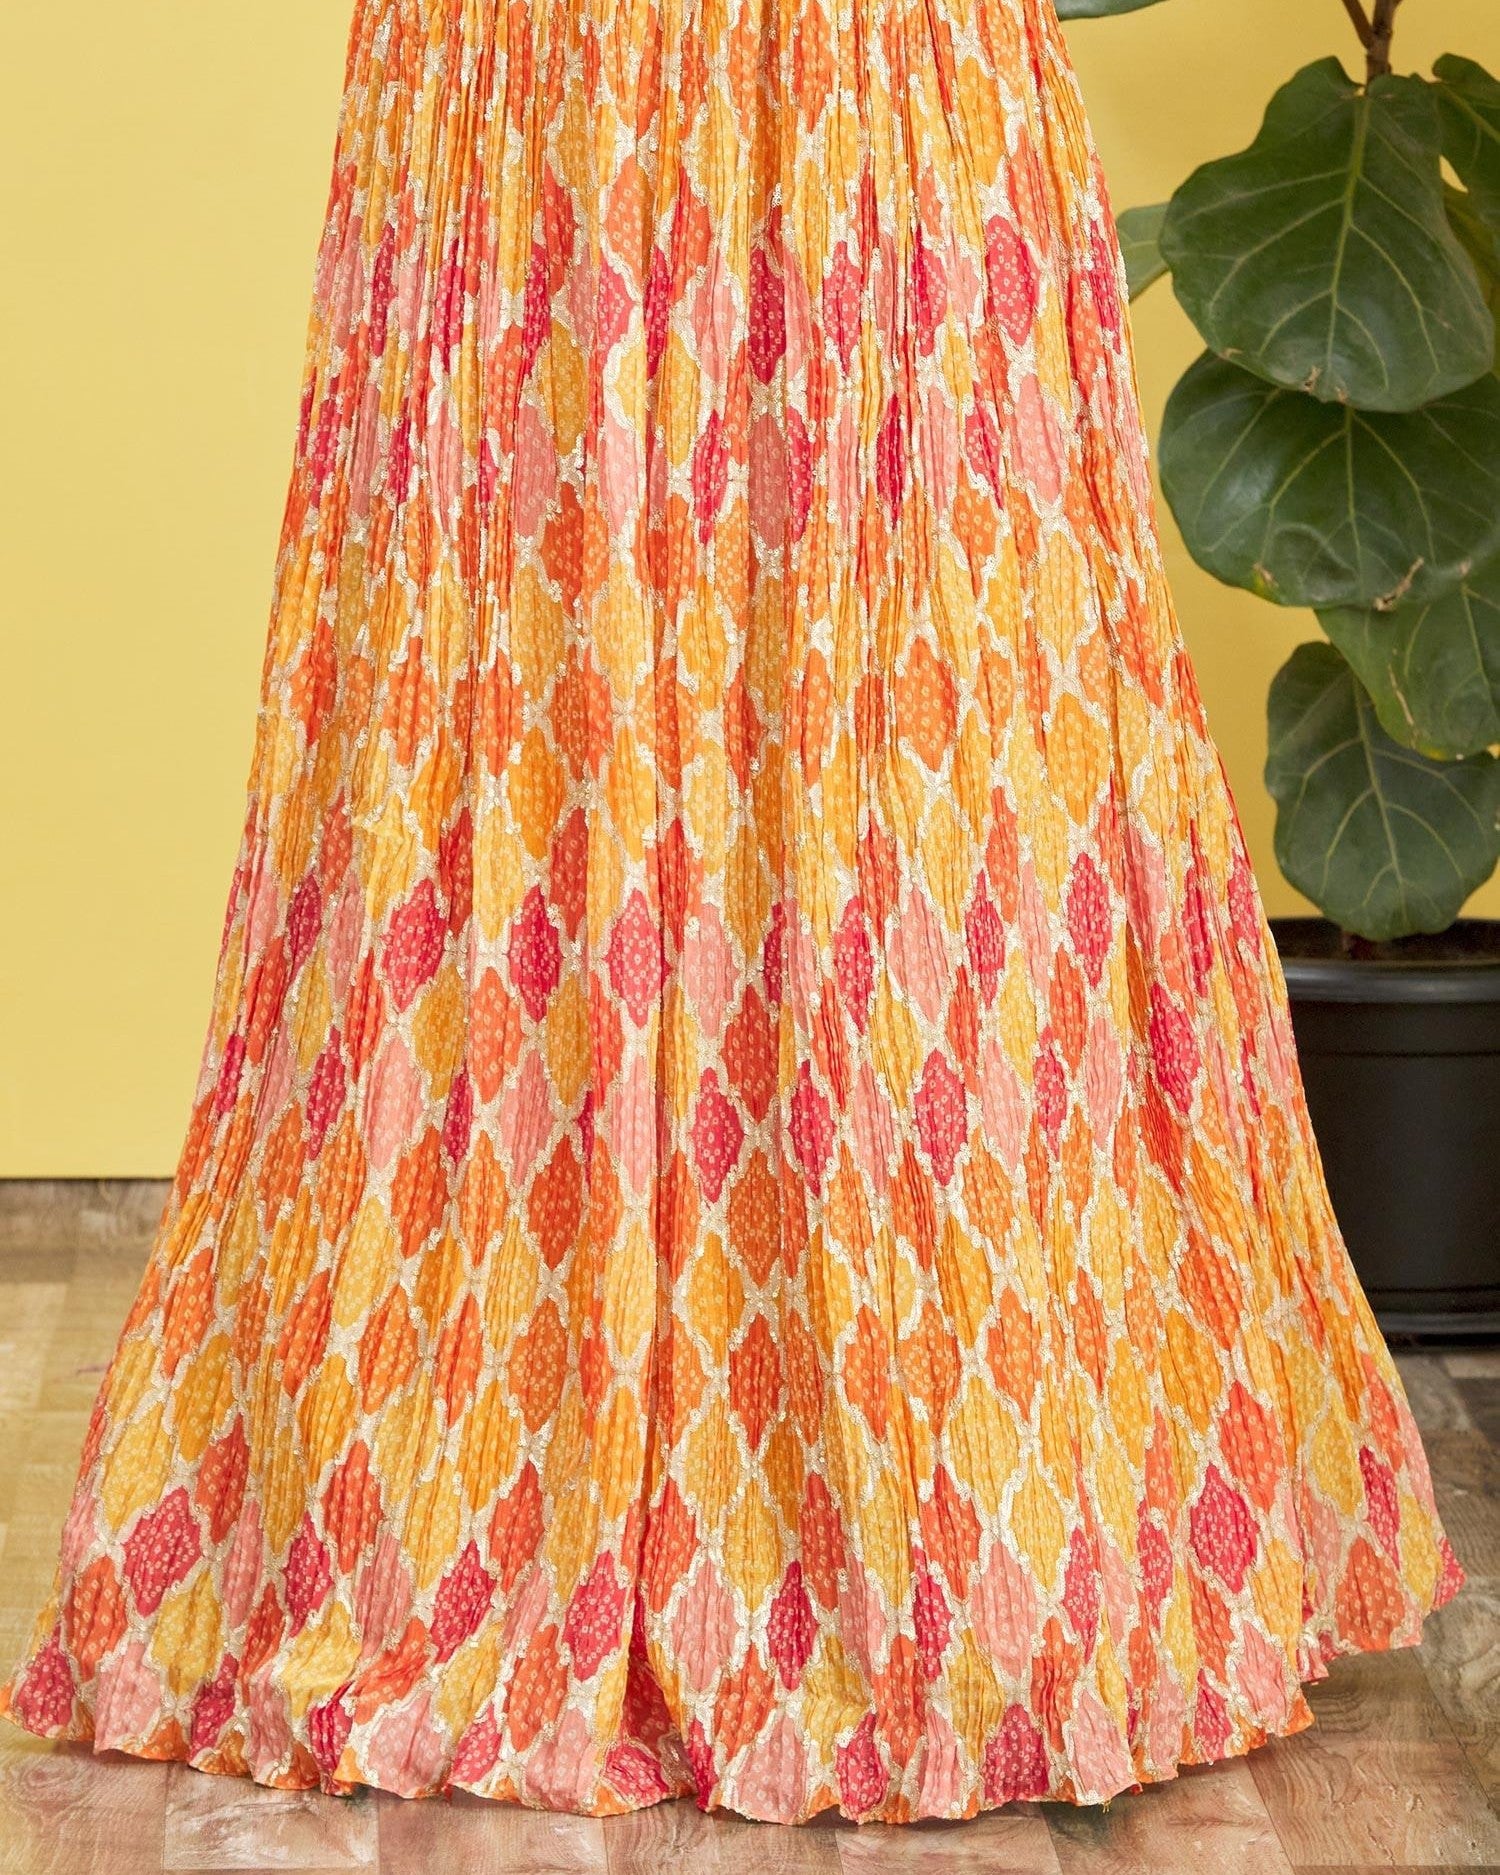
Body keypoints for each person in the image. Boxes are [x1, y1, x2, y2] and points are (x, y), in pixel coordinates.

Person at [0, 0, 1464, 1827]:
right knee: (551, 689)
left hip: (817, 80)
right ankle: (702, 1521)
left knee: (902, 708)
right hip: (555, 86)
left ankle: (931, 1533)